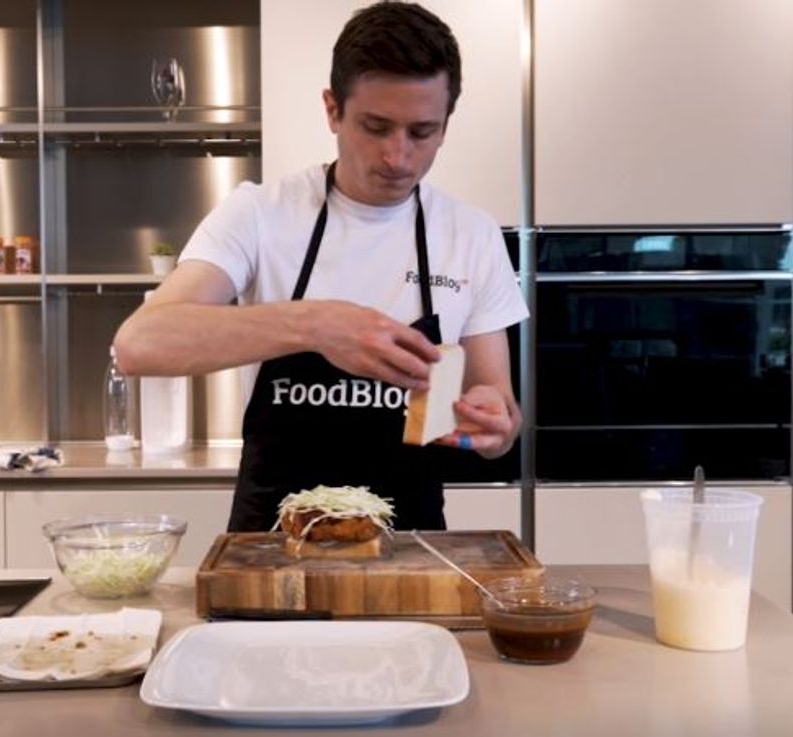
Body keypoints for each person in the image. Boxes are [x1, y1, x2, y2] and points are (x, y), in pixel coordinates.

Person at [115, 1, 528, 532]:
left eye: (421, 132)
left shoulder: (471, 235)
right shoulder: (260, 214)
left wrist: (493, 424)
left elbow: (501, 416)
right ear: (333, 110)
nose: (398, 157)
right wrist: (316, 324)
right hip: (272, 548)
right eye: (375, 127)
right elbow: (139, 344)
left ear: (446, 125)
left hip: (409, 551)